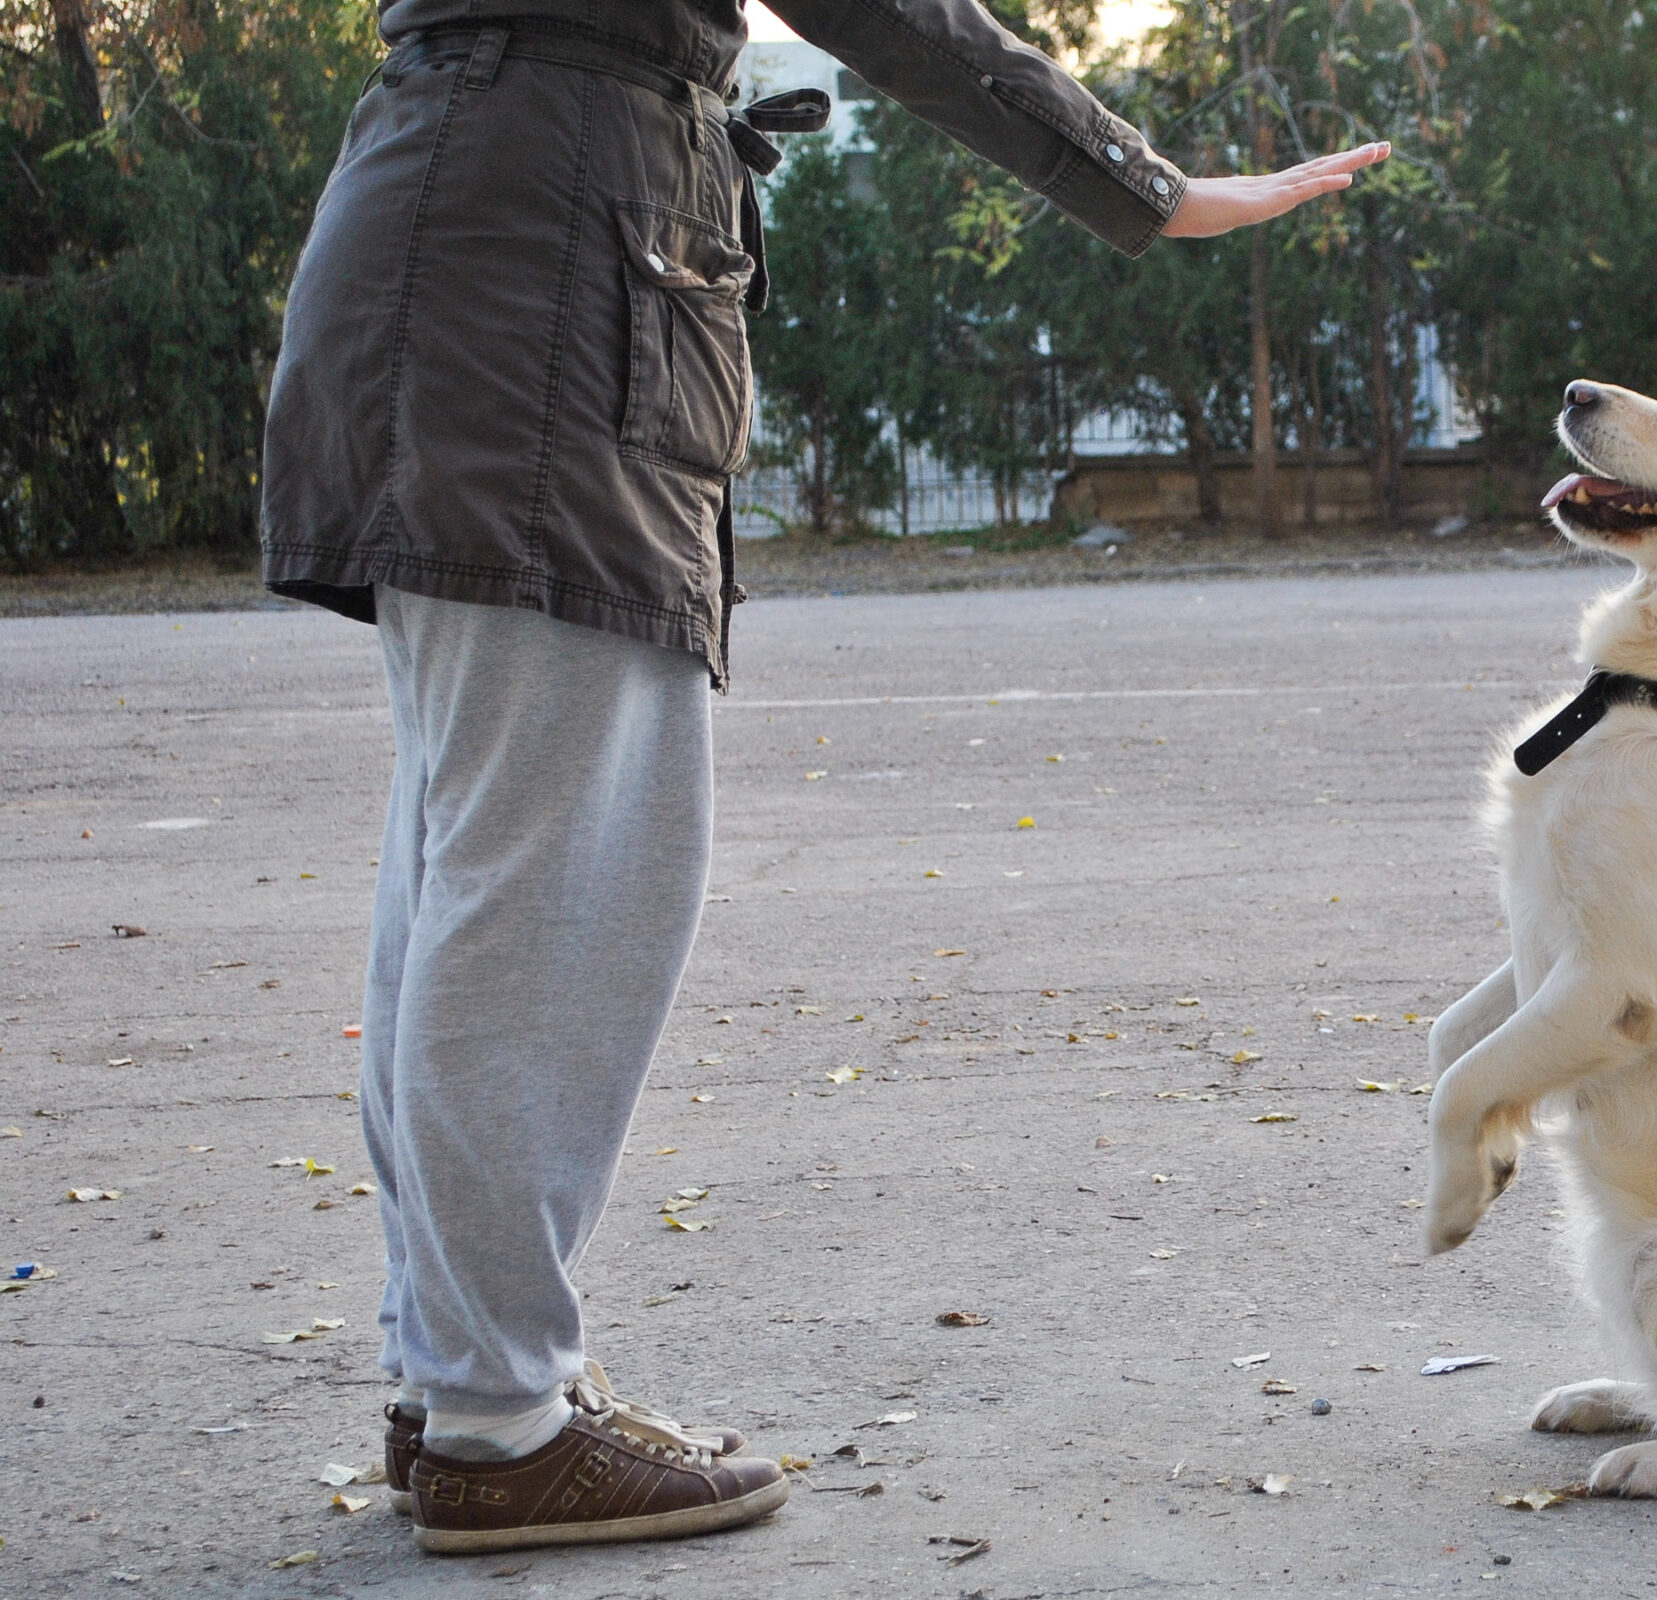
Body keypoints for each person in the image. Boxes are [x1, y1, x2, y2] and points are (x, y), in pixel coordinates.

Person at [259, 0, 1385, 1556]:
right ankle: (497, 1421)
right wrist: (1146, 184)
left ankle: (461, 1378)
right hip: (542, 290)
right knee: (548, 875)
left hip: (464, 242)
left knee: (471, 854)